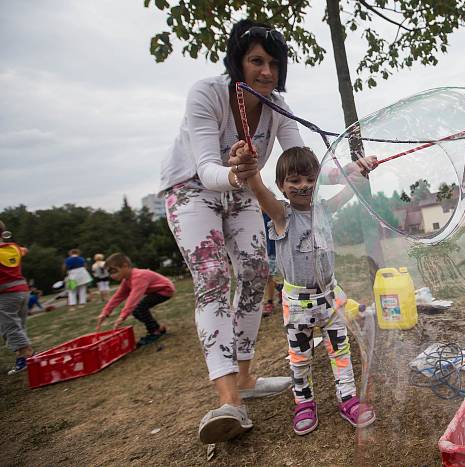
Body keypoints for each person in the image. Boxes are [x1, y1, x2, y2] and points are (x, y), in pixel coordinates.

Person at [159, 19, 296, 444]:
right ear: (237, 60)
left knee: (257, 273)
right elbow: (206, 167)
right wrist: (238, 173)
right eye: (257, 61)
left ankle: (246, 377)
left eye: (274, 63)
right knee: (214, 279)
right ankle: (229, 401)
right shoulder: (207, 92)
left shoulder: (278, 107)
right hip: (191, 188)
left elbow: (298, 161)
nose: (267, 72)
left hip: (241, 188)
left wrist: (348, 169)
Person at [246, 146, 378, 436]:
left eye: (309, 179)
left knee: (340, 351)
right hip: (297, 304)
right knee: (300, 357)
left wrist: (362, 170)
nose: (303, 186)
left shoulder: (324, 210)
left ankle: (348, 399)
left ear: (317, 182)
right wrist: (250, 168)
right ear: (282, 186)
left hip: (330, 298)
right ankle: (304, 403)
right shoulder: (281, 215)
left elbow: (353, 186)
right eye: (293, 181)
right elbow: (258, 189)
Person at [95, 253, 173, 346]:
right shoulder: (127, 280)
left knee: (139, 308)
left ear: (125, 266)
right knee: (136, 311)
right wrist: (105, 313)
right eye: (110, 272)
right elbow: (118, 297)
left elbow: (133, 298)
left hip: (165, 290)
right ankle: (158, 328)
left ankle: (154, 332)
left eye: (114, 271)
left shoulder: (139, 276)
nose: (112, 276)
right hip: (155, 291)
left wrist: (122, 316)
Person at [0, 220, 34, 375]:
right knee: (19, 326)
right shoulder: (13, 247)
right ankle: (23, 356)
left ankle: (26, 356)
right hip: (23, 291)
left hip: (6, 295)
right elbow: (24, 250)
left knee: (10, 327)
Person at [261, 212, 281, 316]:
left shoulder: (270, 213)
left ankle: (269, 302)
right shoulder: (254, 213)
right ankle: (280, 289)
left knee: (268, 276)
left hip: (271, 250)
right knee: (265, 277)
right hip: (262, 250)